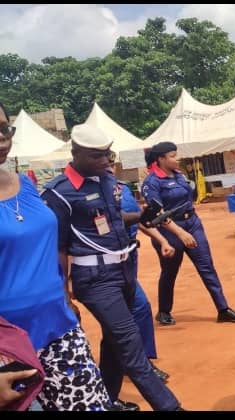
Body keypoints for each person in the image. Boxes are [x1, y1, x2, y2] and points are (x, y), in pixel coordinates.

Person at [41, 124, 185, 411]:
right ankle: (171, 406)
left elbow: (113, 218)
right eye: (97, 156)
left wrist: (142, 216)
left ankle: (106, 400)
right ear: (76, 154)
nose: (106, 161)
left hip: (125, 270)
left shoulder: (106, 180)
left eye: (108, 154)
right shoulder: (59, 194)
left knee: (113, 341)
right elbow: (57, 248)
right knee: (131, 346)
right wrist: (64, 294)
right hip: (95, 279)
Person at [0, 103, 111, 411]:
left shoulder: (27, 186)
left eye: (4, 129)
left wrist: (65, 296)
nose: (1, 139)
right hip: (7, 346)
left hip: (59, 329)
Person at [141, 142, 235, 326]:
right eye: (173, 155)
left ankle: (223, 309)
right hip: (169, 230)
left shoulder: (180, 176)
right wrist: (180, 233)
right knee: (170, 271)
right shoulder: (152, 182)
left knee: (207, 267)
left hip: (193, 224)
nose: (177, 158)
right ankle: (164, 311)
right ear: (161, 159)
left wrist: (188, 224)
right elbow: (157, 213)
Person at [107, 153, 171, 383]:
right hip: (108, 264)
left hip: (130, 258)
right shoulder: (91, 194)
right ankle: (135, 364)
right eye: (105, 162)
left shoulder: (122, 189)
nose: (109, 167)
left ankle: (137, 361)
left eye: (112, 163)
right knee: (134, 310)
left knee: (139, 310)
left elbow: (140, 220)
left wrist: (163, 240)